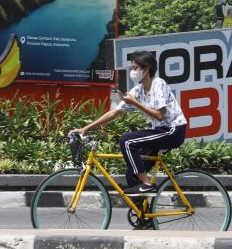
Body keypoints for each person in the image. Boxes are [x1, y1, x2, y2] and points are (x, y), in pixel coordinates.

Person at [71, 51, 187, 196]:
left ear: (147, 69)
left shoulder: (158, 84)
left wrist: (135, 103)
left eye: (136, 68)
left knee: (127, 141)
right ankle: (144, 217)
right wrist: (85, 129)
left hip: (172, 130)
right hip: (160, 131)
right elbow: (113, 113)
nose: (133, 72)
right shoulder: (137, 90)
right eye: (132, 68)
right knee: (131, 173)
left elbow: (159, 115)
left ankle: (146, 183)